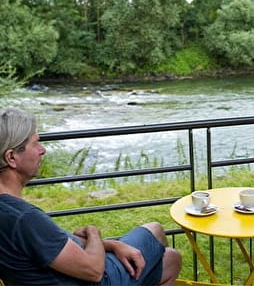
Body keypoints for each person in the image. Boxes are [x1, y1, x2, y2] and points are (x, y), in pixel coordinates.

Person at [0, 107, 182, 286]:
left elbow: (51, 244)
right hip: (93, 278)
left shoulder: (9, 209)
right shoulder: (24, 218)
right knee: (157, 233)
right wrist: (93, 232)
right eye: (36, 143)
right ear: (11, 158)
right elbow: (94, 271)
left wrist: (113, 245)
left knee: (170, 258)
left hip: (64, 273)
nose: (43, 150)